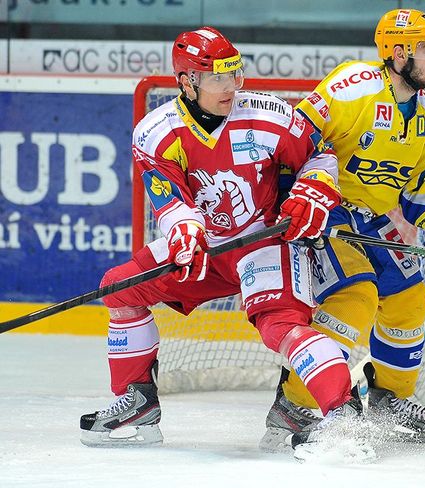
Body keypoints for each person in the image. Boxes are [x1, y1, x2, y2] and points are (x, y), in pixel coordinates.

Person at [80, 26, 359, 448]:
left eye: (234, 74)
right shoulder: (156, 131)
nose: (229, 86)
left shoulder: (268, 114)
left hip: (264, 243)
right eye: (215, 78)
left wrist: (313, 190)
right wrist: (185, 233)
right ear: (186, 81)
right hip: (204, 250)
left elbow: (318, 153)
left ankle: (343, 418)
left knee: (280, 327)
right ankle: (137, 403)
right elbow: (170, 199)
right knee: (119, 288)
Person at [259, 9, 425, 451]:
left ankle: (388, 400)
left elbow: (420, 191)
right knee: (356, 297)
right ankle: (295, 404)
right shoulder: (352, 87)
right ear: (397, 52)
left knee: (409, 300)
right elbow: (293, 140)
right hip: (324, 209)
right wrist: (291, 198)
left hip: (371, 217)